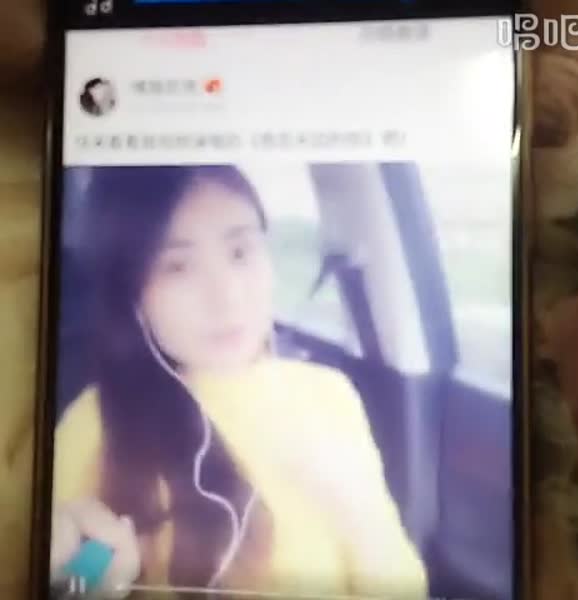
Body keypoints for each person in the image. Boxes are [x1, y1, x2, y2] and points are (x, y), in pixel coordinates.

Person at [51, 165, 427, 599]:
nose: (227, 296)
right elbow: (69, 583)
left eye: (240, 252)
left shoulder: (329, 394)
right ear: (131, 293)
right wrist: (88, 584)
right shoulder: (95, 424)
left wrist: (353, 504)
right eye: (177, 267)